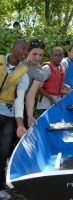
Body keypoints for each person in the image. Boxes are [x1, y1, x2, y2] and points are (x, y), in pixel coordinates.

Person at [0, 39, 29, 199]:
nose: (25, 52)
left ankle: (1, 187)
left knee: (3, 153)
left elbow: (19, 100)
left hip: (8, 116)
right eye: (22, 48)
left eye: (27, 49)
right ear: (13, 48)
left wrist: (20, 125)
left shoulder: (23, 74)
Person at [37, 46, 71, 115]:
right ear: (51, 56)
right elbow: (38, 87)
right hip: (45, 104)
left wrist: (64, 91)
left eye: (59, 55)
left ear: (63, 57)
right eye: (55, 55)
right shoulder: (46, 68)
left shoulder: (61, 68)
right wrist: (51, 98)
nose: (57, 58)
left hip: (57, 102)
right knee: (45, 125)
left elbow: (56, 83)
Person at [22, 39, 46, 128]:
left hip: (21, 105)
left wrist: (30, 115)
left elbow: (31, 95)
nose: (37, 58)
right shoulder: (18, 60)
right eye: (35, 54)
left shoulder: (39, 72)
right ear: (28, 51)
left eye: (40, 55)